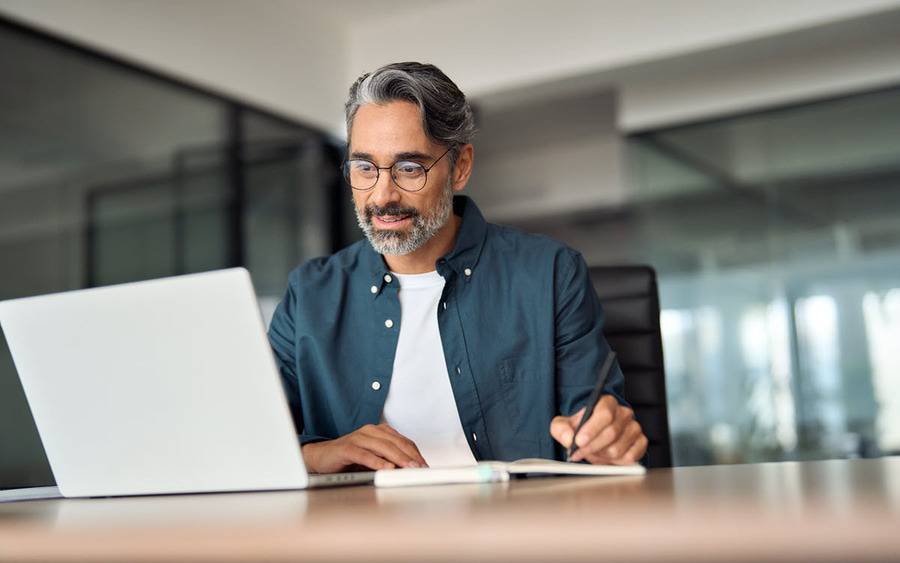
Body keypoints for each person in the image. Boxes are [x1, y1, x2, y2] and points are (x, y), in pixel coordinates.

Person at [268, 62, 647, 474]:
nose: (382, 195)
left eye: (409, 168)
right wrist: (321, 454)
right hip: (364, 532)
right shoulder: (309, 293)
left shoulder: (551, 274)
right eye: (364, 167)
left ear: (460, 167)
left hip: (515, 527)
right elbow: (253, 440)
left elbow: (596, 427)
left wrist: (607, 439)